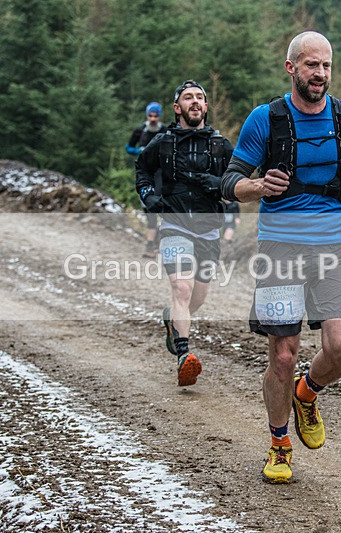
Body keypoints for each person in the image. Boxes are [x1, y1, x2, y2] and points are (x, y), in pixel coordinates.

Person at [221, 31, 341, 483]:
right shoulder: (264, 119)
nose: (321, 75)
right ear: (291, 68)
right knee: (283, 356)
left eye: (326, 66)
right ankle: (279, 444)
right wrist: (256, 188)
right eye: (312, 66)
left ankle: (306, 394)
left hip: (331, 247)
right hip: (280, 248)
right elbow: (230, 181)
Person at [136, 81, 233, 386]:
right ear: (177, 108)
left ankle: (173, 320)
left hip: (208, 228)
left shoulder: (221, 144)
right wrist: (150, 198)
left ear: (206, 107)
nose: (195, 102)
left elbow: (236, 181)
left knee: (197, 298)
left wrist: (220, 187)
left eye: (200, 98)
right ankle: (183, 355)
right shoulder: (163, 143)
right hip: (175, 223)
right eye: (188, 98)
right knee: (182, 289)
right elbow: (142, 170)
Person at [127, 102, 165, 257]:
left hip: (162, 176)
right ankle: (152, 245)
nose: (153, 118)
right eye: (151, 115)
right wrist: (139, 150)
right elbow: (128, 148)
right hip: (144, 174)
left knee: (161, 209)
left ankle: (156, 244)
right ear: (147, 115)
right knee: (148, 210)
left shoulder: (165, 130)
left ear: (160, 116)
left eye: (156, 116)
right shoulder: (140, 130)